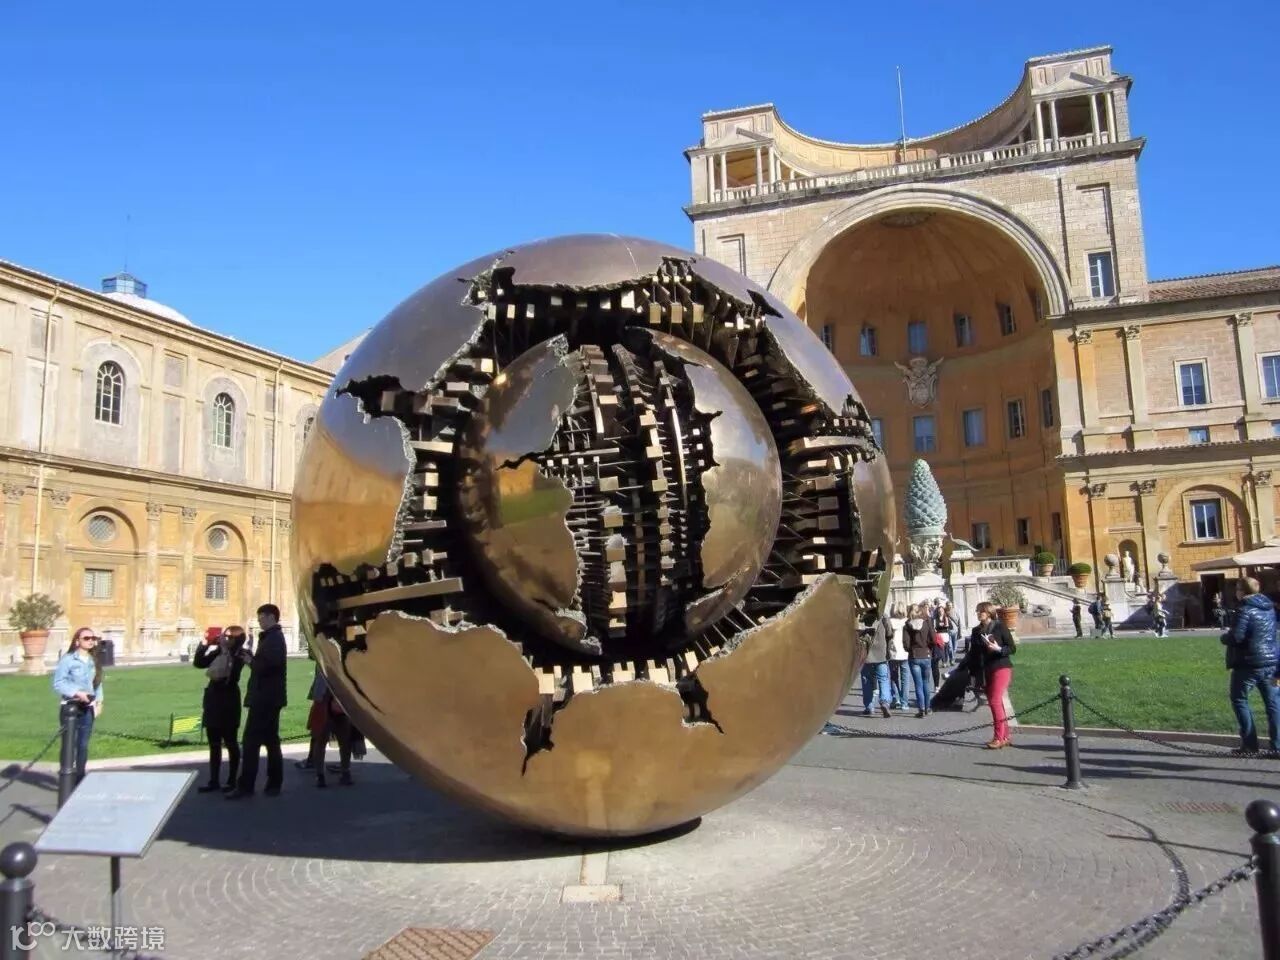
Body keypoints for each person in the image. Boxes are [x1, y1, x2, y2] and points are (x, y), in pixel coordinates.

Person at [228, 604, 288, 799]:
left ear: (271, 617)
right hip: (270, 696)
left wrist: (250, 661)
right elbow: (266, 663)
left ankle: (246, 785)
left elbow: (269, 666)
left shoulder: (274, 638)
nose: (259, 621)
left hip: (265, 697)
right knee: (271, 740)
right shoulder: (271, 637)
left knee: (251, 741)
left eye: (261, 618)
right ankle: (274, 783)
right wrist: (252, 658)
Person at [1222, 577, 1280, 756]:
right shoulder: (1269, 607)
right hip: (1271, 661)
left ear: (1242, 591)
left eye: (1238, 589)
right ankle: (1277, 746)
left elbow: (1237, 637)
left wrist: (1224, 637)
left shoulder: (1244, 609)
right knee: (1273, 703)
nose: (1236, 593)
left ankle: (1249, 744)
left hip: (1248, 662)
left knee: (1239, 699)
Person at [193, 625, 247, 793]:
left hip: (229, 700)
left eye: (229, 637)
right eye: (225, 636)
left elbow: (230, 673)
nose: (225, 639)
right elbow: (199, 663)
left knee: (230, 742)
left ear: (237, 640)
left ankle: (232, 780)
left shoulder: (240, 655)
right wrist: (205, 644)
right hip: (213, 699)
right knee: (214, 743)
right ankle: (214, 780)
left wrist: (224, 650)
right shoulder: (219, 652)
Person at [51, 628, 104, 786]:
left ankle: (79, 780)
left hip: (88, 708)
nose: (90, 640)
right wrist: (77, 693)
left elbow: (98, 683)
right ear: (77, 641)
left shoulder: (93, 660)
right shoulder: (68, 659)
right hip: (70, 708)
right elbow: (58, 683)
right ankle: (65, 778)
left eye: (93, 638)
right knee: (69, 745)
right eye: (86, 638)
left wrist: (99, 702)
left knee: (83, 745)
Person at [968, 602, 1016, 749]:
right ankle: (1005, 736)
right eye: (977, 611)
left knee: (995, 701)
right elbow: (973, 654)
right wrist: (971, 673)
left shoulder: (999, 626)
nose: (978, 614)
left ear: (988, 612)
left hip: (1001, 667)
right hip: (985, 670)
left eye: (980, 611)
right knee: (997, 702)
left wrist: (998, 649)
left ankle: (998, 738)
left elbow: (1012, 648)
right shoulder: (976, 631)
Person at [902, 603, 936, 718]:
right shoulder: (926, 623)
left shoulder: (907, 625)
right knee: (926, 682)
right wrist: (928, 648)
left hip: (914, 655)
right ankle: (927, 708)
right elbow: (933, 639)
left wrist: (911, 649)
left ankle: (921, 709)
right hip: (926, 654)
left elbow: (906, 644)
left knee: (918, 684)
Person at [860, 610, 894, 718]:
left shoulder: (861, 616)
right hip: (881, 652)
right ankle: (884, 702)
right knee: (883, 679)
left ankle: (869, 706)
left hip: (865, 653)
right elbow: (889, 633)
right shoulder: (883, 616)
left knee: (866, 680)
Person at [886, 604, 910, 710]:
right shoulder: (907, 621)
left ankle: (896, 699)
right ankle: (904, 702)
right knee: (905, 678)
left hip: (893, 652)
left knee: (893, 677)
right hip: (905, 652)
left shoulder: (889, 621)